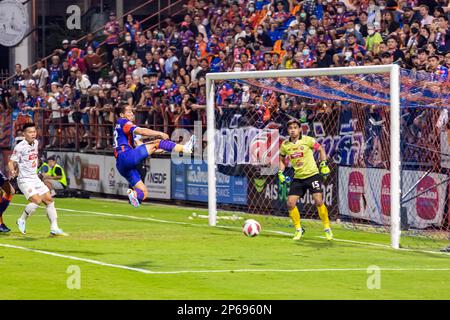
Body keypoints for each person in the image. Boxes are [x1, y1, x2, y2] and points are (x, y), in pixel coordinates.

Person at [114, 104, 196, 208]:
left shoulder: (122, 129)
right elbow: (142, 131)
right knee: (158, 141)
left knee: (143, 192)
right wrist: (159, 133)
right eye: (129, 112)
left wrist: (157, 149)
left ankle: (134, 195)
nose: (132, 114)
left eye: (132, 111)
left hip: (121, 164)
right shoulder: (123, 122)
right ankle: (186, 149)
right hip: (126, 155)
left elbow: (139, 145)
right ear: (122, 114)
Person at [7, 123, 67, 236]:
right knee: (37, 200)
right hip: (24, 180)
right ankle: (22, 219)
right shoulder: (20, 147)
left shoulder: (36, 143)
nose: (33, 134)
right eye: (30, 132)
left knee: (49, 200)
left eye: (34, 132)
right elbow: (11, 162)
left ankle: (54, 228)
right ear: (24, 134)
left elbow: (33, 158)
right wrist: (13, 171)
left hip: (34, 178)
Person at [278, 119, 332, 241]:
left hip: (312, 175)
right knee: (290, 203)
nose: (293, 130)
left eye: (295, 127)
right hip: (298, 177)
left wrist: (323, 164)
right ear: (288, 130)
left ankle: (327, 228)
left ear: (300, 129)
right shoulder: (285, 145)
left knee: (318, 200)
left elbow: (321, 150)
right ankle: (298, 230)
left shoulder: (308, 140)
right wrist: (280, 172)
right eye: (290, 128)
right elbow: (281, 159)